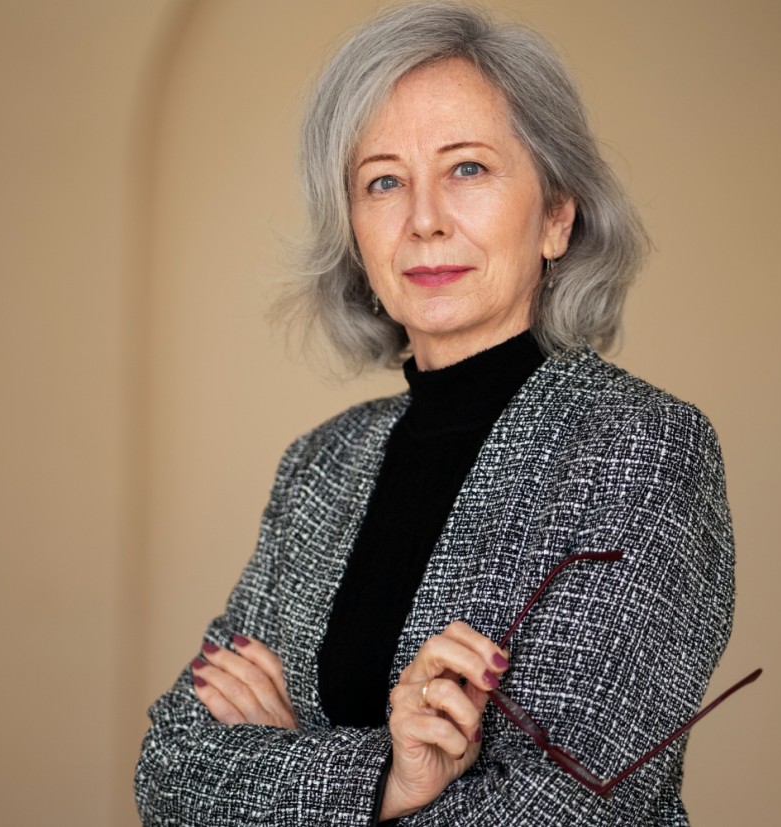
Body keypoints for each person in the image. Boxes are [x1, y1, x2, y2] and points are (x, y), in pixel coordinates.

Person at [135, 3, 741, 824]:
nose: (424, 219)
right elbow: (171, 773)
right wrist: (390, 779)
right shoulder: (321, 465)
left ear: (556, 216)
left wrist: (290, 765)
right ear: (354, 231)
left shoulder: (639, 448)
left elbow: (564, 809)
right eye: (383, 181)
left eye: (468, 169)